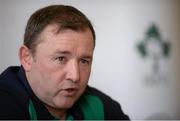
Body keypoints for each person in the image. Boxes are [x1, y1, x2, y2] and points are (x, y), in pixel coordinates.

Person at [0, 5, 129, 120]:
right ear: (26, 58)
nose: (75, 76)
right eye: (61, 59)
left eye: (84, 61)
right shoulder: (5, 105)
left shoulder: (99, 105)